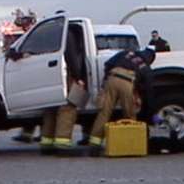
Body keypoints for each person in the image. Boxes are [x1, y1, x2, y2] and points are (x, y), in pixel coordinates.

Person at [88, 48, 156, 153]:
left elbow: (108, 64)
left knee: (104, 113)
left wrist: (106, 80)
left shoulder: (125, 53)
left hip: (112, 79)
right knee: (130, 114)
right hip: (127, 82)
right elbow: (148, 90)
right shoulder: (145, 67)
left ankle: (94, 143)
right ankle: (130, 144)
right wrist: (150, 109)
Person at [40, 25, 88, 154]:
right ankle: (63, 143)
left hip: (50, 74)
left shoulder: (48, 36)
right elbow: (71, 56)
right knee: (68, 107)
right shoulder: (68, 34)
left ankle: (47, 143)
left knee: (51, 107)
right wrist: (78, 77)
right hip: (66, 74)